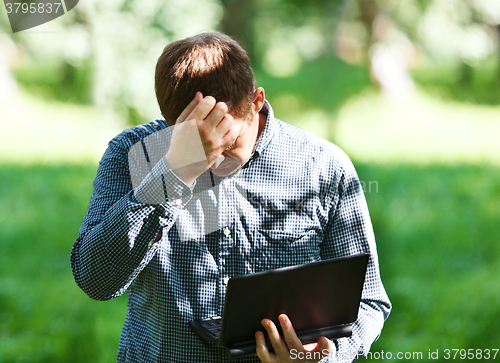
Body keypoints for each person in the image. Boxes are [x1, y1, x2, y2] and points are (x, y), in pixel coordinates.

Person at [71, 32, 391, 363]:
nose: (214, 162)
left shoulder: (323, 166)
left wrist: (324, 356)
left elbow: (368, 302)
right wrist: (173, 173)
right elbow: (96, 280)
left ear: (256, 101)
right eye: (197, 142)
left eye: (228, 141)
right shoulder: (132, 154)